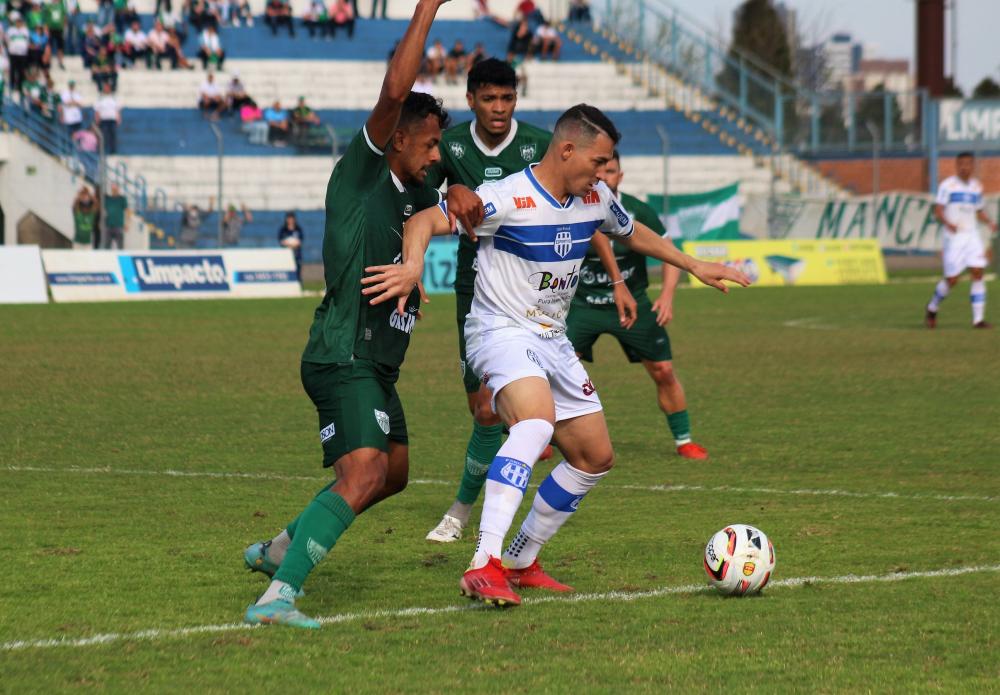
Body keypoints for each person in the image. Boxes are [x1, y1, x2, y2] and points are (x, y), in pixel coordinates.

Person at [368, 104, 750, 607]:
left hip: (552, 337)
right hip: (500, 331)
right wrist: (413, 266)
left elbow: (630, 231)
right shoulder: (506, 197)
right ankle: (484, 563)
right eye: (598, 161)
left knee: (594, 457)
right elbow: (421, 221)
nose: (604, 173)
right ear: (567, 149)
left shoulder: (595, 198)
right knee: (534, 424)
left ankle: (521, 560)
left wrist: (692, 263)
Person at [240, 0, 452, 630]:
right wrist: (429, 8)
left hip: (378, 364)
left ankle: (279, 548)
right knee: (363, 473)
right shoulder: (362, 173)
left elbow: (446, 200)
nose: (436, 155)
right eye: (429, 143)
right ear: (397, 138)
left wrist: (458, 197)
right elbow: (395, 91)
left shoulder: (417, 191)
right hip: (344, 353)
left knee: (393, 475)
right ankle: (278, 597)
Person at [421, 58, 558, 543]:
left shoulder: (540, 145)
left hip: (534, 289)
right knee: (481, 410)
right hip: (475, 289)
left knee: (488, 412)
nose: (499, 108)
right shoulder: (450, 146)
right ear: (470, 100)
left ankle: (461, 512)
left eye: (506, 98)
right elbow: (419, 196)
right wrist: (451, 190)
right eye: (488, 98)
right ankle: (524, 433)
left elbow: (576, 201)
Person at [569, 151, 709, 460]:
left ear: (620, 176)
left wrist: (667, 296)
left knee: (663, 370)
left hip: (633, 305)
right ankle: (542, 437)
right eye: (599, 169)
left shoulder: (638, 210)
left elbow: (669, 253)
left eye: (611, 171)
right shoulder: (572, 205)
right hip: (583, 305)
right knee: (555, 371)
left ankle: (684, 440)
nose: (604, 176)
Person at [925, 151, 999, 329]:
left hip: (972, 236)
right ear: (957, 166)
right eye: (962, 164)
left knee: (978, 272)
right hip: (954, 237)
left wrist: (989, 222)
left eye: (968, 164)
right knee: (952, 279)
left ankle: (978, 320)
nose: (965, 167)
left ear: (972, 166)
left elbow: (978, 210)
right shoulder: (947, 185)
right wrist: (948, 223)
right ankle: (932, 307)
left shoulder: (976, 187)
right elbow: (938, 210)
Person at [94, 81, 119, 153]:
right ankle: (102, 150)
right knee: (103, 135)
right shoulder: (100, 98)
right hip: (103, 119)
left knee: (112, 135)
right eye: (105, 87)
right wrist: (97, 118)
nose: (106, 89)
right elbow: (97, 109)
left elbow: (117, 109)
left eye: (108, 87)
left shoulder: (113, 97)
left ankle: (113, 150)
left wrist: (118, 118)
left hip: (112, 119)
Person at [277, 211, 303, 280]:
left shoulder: (298, 229)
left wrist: (292, 245)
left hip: (296, 254)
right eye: (289, 218)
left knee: (297, 271)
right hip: (286, 255)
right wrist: (288, 245)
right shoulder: (283, 230)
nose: (290, 220)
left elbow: (300, 241)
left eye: (292, 218)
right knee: (287, 271)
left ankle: (298, 283)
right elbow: (281, 241)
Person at [42, 0, 67, 69]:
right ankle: (49, 62)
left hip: (59, 29)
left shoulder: (61, 5)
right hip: (51, 29)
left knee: (60, 47)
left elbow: (64, 16)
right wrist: (46, 28)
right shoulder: (48, 6)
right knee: (49, 46)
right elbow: (45, 17)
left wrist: (64, 26)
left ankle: (60, 62)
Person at [102, 183, 128, 249]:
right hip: (108, 225)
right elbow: (104, 210)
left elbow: (127, 211)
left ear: (118, 189)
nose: (114, 190)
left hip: (119, 226)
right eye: (113, 189)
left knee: (120, 246)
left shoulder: (122, 199)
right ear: (111, 190)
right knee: (107, 246)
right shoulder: (108, 199)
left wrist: (127, 223)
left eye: (116, 189)